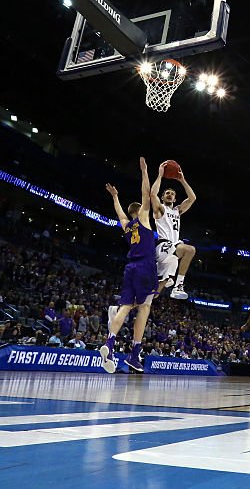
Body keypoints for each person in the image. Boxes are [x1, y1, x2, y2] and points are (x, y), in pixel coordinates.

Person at [100, 159, 157, 374]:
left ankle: (110, 343)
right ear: (140, 210)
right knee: (145, 307)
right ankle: (135, 353)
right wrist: (144, 172)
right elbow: (146, 194)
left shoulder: (127, 226)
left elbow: (120, 214)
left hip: (130, 268)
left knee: (125, 307)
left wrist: (115, 197)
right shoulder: (143, 217)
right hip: (144, 266)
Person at [150, 162, 197, 300]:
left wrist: (182, 180)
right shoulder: (160, 210)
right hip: (164, 246)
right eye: (167, 193)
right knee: (190, 250)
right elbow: (153, 194)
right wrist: (160, 175)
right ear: (163, 197)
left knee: (155, 293)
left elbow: (192, 198)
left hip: (173, 252)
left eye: (172, 194)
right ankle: (179, 285)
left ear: (175, 199)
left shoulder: (177, 210)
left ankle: (118, 310)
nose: (170, 195)